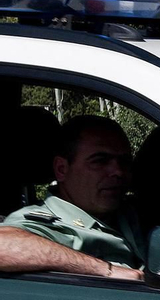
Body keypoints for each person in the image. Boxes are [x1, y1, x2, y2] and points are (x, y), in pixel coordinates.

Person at [0, 115, 145, 280]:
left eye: (124, 162)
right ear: (62, 169)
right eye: (100, 161)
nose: (118, 172)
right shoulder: (44, 225)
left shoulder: (136, 212)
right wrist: (106, 269)